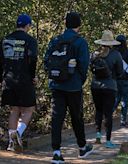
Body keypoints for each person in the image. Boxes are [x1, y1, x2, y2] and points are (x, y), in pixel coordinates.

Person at [44, 12, 93, 163]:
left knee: (57, 117)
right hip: (73, 86)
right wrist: (79, 80)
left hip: (57, 85)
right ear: (79, 24)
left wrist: (54, 75)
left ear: (66, 23)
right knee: (76, 117)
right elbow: (84, 65)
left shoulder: (55, 40)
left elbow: (46, 61)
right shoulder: (80, 42)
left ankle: (56, 152)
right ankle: (82, 147)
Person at [0, 14, 38, 152]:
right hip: (24, 79)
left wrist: (1, 79)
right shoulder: (30, 40)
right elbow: (33, 59)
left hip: (9, 79)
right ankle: (18, 132)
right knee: (29, 108)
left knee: (14, 109)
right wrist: (32, 76)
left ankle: (11, 143)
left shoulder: (6, 39)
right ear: (28, 26)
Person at [91, 30, 124, 148]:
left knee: (98, 110)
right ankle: (108, 141)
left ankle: (98, 137)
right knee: (108, 113)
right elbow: (120, 72)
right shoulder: (116, 55)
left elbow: (91, 68)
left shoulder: (94, 54)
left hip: (95, 86)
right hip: (110, 87)